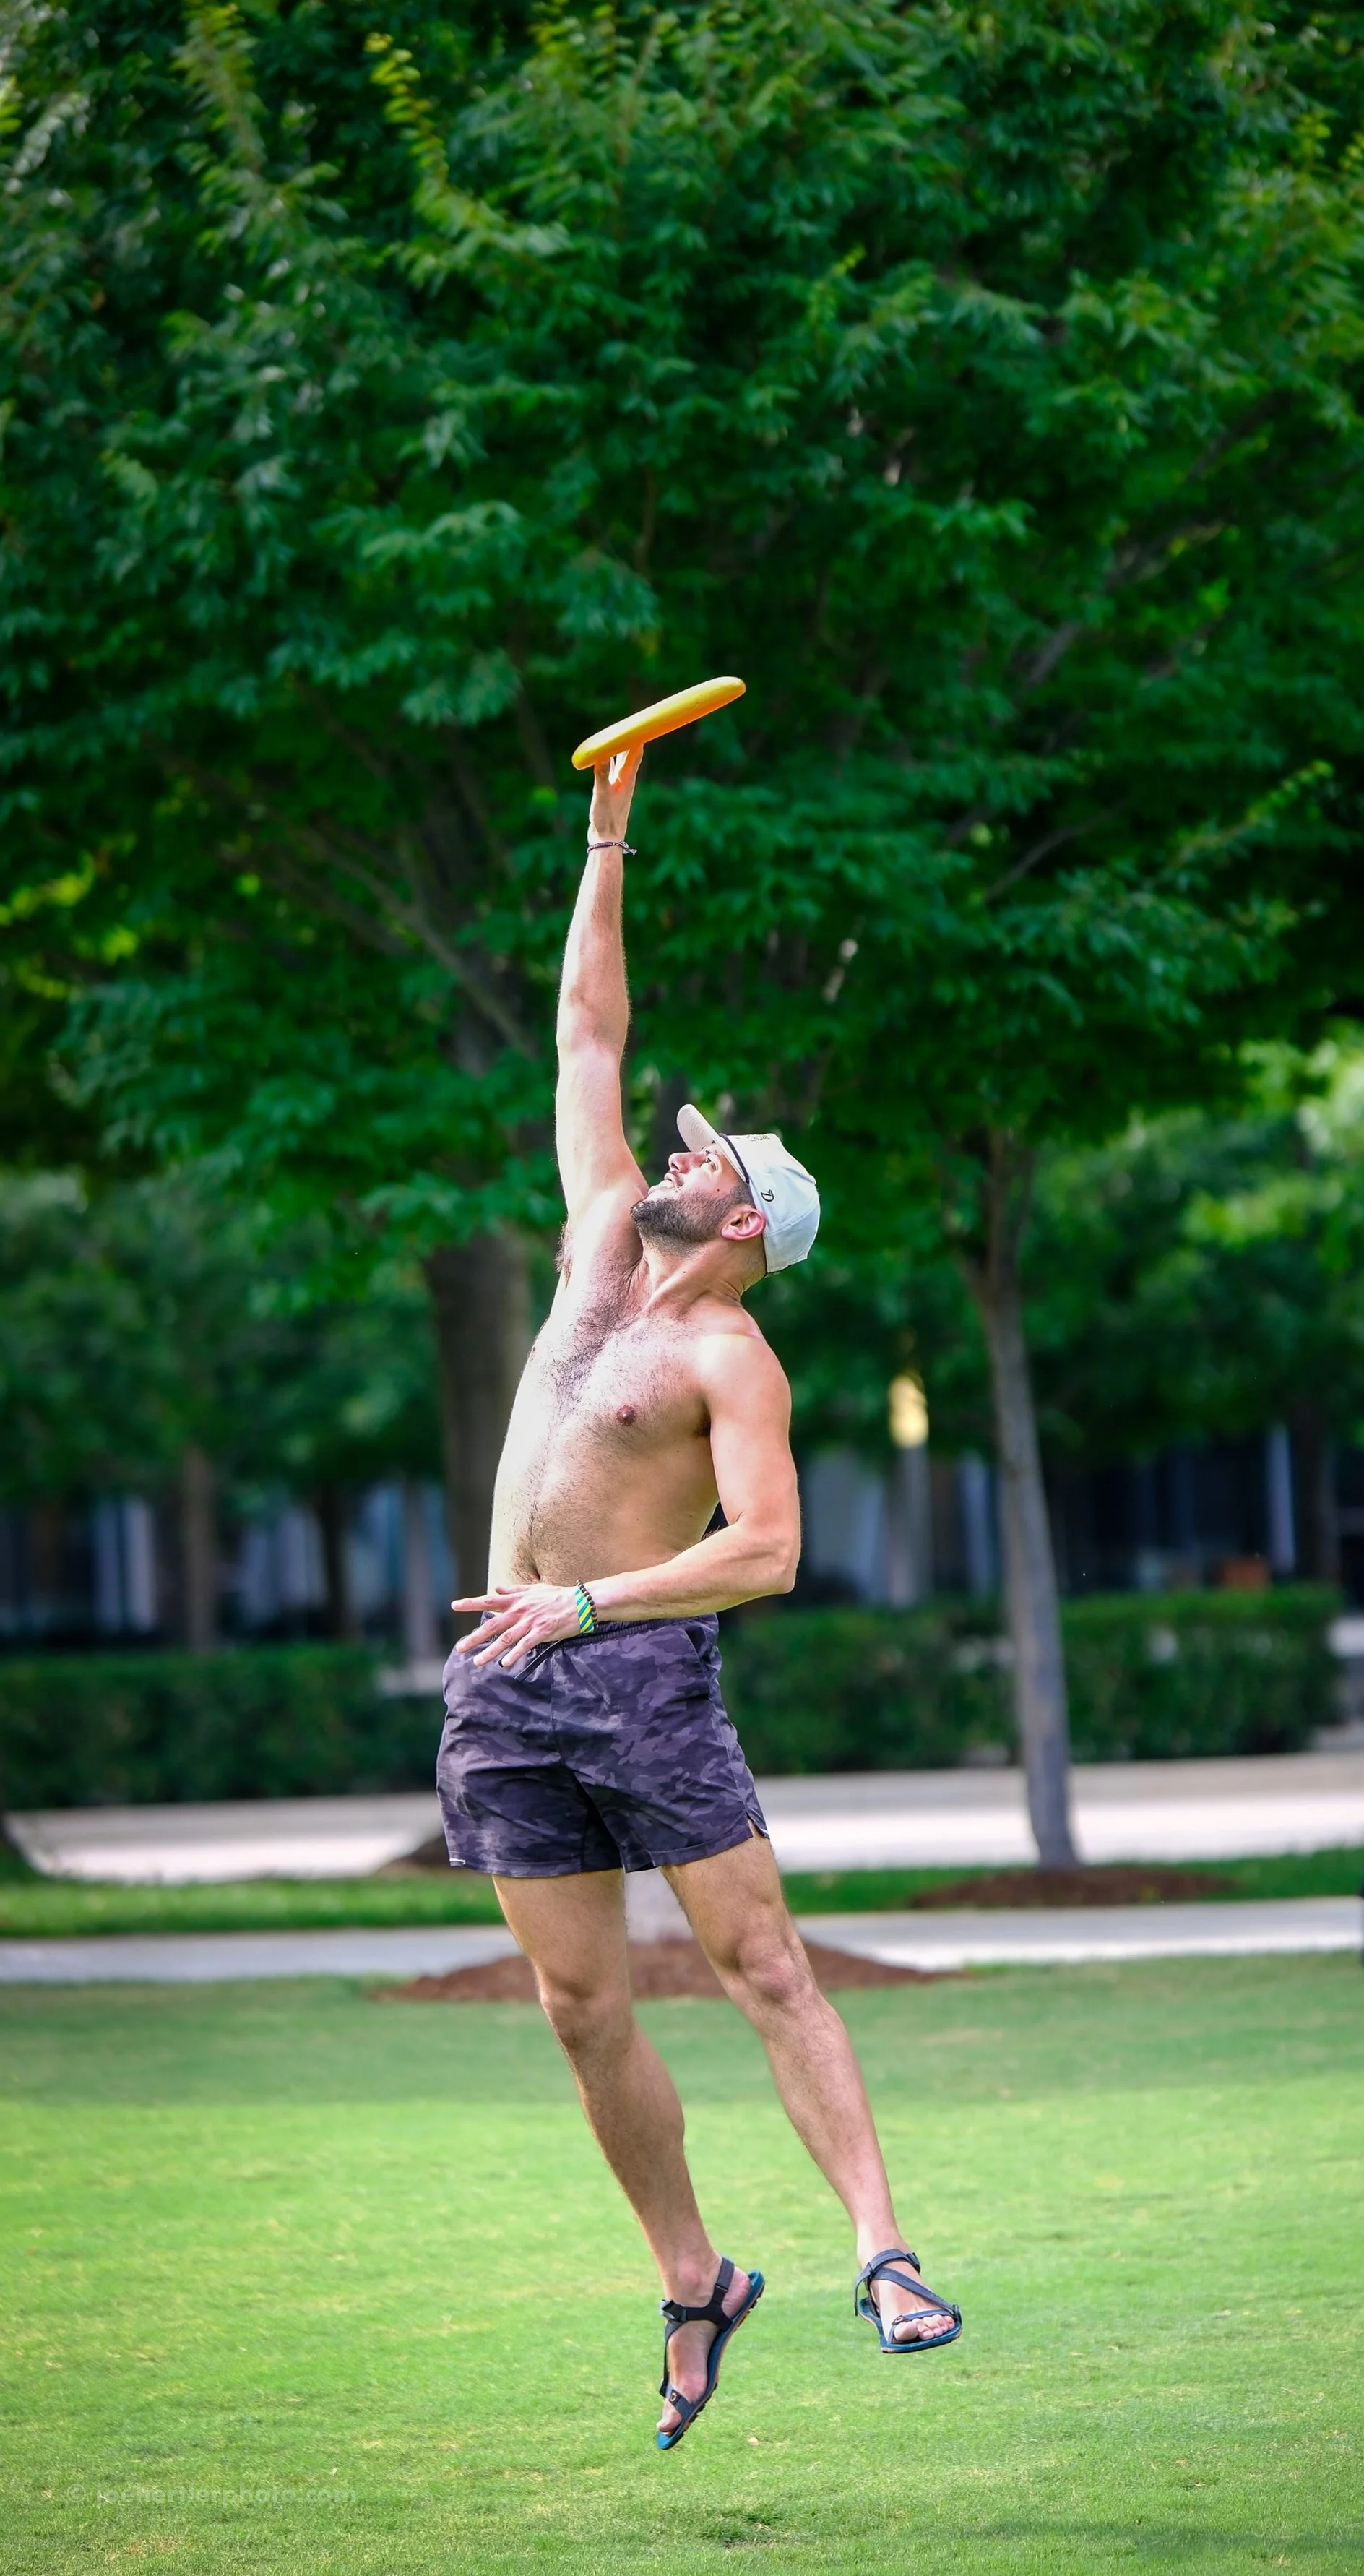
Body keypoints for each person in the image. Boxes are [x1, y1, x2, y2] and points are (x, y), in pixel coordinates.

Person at [434, 732, 959, 2449]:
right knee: (582, 2003)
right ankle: (691, 2272)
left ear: (747, 1218)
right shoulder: (598, 1231)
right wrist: (610, 825)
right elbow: (591, 1027)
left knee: (761, 1967)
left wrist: (592, 1608)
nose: (681, 1145)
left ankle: (881, 2249)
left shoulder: (736, 1352)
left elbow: (769, 1551)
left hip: (635, 1675)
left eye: (712, 1154)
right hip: (502, 1683)